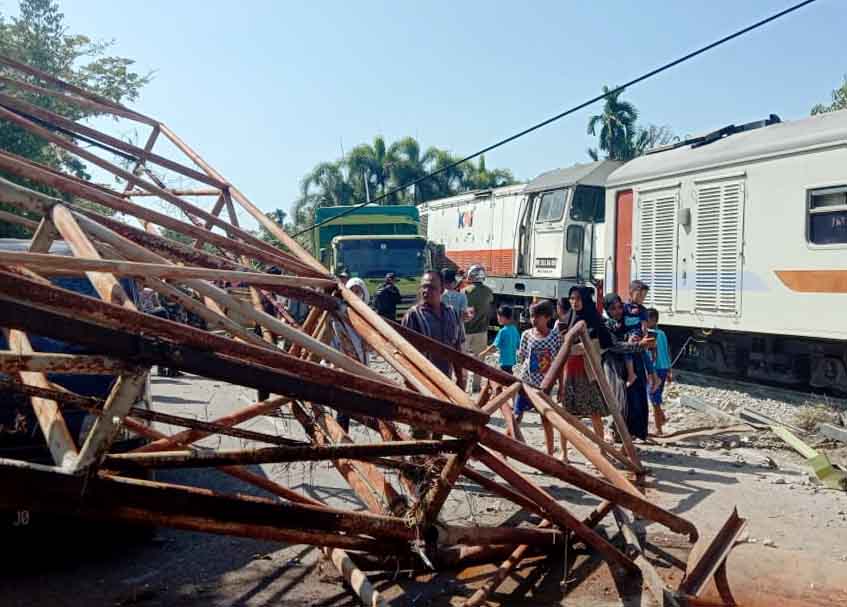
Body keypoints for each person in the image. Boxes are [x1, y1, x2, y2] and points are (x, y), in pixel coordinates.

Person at [555, 286, 613, 462]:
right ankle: (564, 452)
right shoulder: (568, 319)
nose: (574, 302)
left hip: (587, 373)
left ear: (586, 300)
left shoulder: (593, 319)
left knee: (594, 413)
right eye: (572, 298)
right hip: (569, 372)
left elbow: (595, 345)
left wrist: (569, 347)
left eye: (578, 299)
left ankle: (602, 452)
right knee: (565, 414)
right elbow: (562, 345)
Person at [514, 300, 561, 454]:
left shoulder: (554, 337)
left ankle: (549, 453)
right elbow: (521, 357)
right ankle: (506, 449)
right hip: (526, 382)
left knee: (546, 419)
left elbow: (558, 363)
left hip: (544, 386)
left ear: (547, 318)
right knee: (516, 416)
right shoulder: (526, 335)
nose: (533, 320)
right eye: (532, 316)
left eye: (537, 317)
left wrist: (560, 385)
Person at [401, 271, 465, 383]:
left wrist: (460, 378)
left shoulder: (452, 313)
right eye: (424, 287)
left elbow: (457, 348)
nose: (426, 291)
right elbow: (405, 354)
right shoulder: (413, 316)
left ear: (441, 290)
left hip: (446, 382)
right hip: (422, 383)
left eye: (431, 287)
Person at [604, 293, 650, 441]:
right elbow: (614, 346)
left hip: (633, 364)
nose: (617, 311)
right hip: (614, 366)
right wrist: (636, 345)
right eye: (613, 309)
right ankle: (616, 432)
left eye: (619, 307)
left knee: (637, 400)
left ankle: (631, 434)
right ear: (607, 310)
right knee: (620, 401)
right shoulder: (606, 325)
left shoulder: (628, 320)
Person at [331, 278, 371, 432]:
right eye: (352, 291)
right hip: (344, 363)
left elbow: (369, 346)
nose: (355, 295)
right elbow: (333, 339)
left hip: (362, 363)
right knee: (344, 404)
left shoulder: (367, 315)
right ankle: (342, 436)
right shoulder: (338, 314)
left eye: (358, 291)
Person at [480, 305, 521, 438]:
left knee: (496, 386)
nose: (497, 318)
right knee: (509, 384)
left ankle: (487, 407)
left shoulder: (503, 331)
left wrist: (484, 353)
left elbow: (494, 346)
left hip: (503, 363)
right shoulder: (514, 329)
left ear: (504, 317)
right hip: (511, 362)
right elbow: (517, 344)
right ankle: (514, 405)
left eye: (499, 316)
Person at [463, 264, 494, 392]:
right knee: (479, 359)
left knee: (462, 358)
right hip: (481, 330)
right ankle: (476, 386)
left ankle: (463, 384)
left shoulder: (465, 291)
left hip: (466, 330)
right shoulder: (488, 291)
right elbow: (490, 303)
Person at [622, 280, 658, 389]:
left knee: (630, 351)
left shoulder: (642, 310)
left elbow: (644, 325)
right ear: (631, 292)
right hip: (627, 334)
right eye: (639, 295)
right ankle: (654, 378)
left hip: (636, 334)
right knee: (642, 355)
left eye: (644, 296)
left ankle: (633, 374)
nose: (641, 298)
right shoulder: (625, 307)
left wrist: (645, 336)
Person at [646, 307, 672, 435]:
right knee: (656, 396)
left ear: (652, 320)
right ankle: (662, 417)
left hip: (655, 370)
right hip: (664, 368)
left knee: (654, 398)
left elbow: (652, 354)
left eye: (646, 319)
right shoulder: (663, 333)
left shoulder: (651, 334)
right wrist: (669, 370)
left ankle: (658, 429)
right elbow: (667, 350)